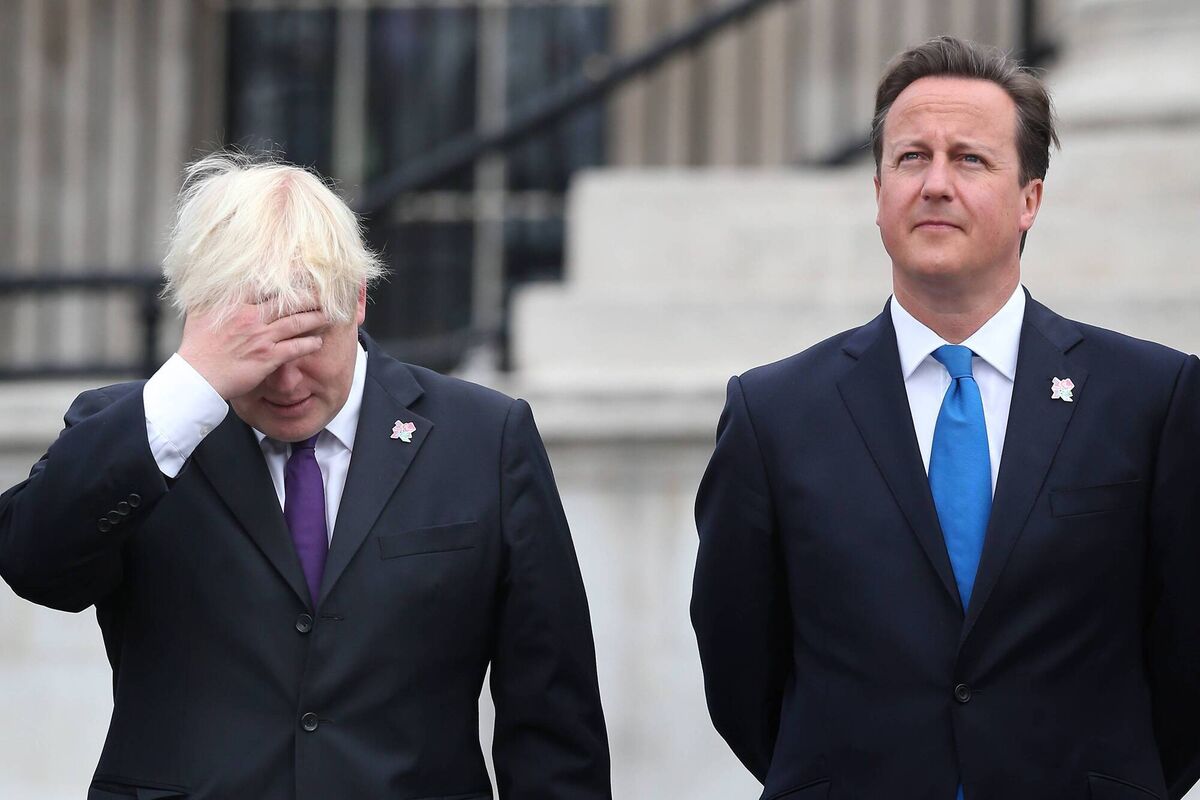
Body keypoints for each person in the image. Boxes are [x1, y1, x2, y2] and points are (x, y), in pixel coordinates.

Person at [0, 153, 611, 800]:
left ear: (360, 300)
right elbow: (36, 563)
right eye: (259, 348)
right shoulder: (142, 435)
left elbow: (552, 725)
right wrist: (189, 387)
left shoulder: (482, 439)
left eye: (310, 337)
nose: (287, 379)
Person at [692, 36, 1200, 800]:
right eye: (910, 158)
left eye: (969, 159)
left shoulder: (1150, 398)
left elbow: (1188, 655)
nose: (935, 184)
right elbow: (740, 668)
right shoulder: (775, 415)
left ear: (1030, 198)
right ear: (877, 192)